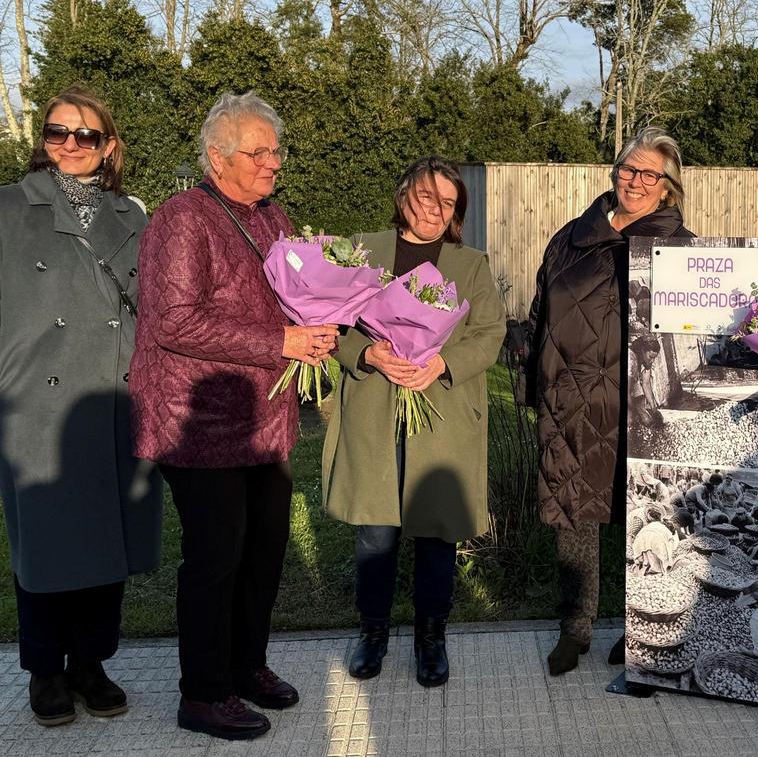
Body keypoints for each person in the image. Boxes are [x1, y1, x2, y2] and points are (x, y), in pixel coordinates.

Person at [131, 92, 338, 741]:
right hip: (200, 423)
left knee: (263, 554)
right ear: (217, 158)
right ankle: (203, 694)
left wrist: (321, 317)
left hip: (264, 421)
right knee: (216, 559)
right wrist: (282, 341)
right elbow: (174, 322)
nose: (273, 162)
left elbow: (296, 293)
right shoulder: (181, 219)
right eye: (258, 152)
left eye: (276, 150)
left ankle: (247, 667)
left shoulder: (273, 217)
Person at [0, 87, 161, 726]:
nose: (69, 145)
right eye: (56, 132)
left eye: (85, 135)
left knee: (105, 536)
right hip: (37, 400)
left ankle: (91, 663)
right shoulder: (9, 207)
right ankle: (45, 669)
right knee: (46, 542)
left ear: (108, 146)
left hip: (113, 395)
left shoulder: (132, 215)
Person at [322, 157, 505, 687]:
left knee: (436, 532)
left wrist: (441, 363)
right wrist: (367, 354)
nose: (435, 210)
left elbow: (489, 334)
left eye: (447, 203)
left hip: (441, 411)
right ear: (404, 196)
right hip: (374, 411)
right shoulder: (363, 251)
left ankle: (431, 638)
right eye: (427, 197)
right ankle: (373, 632)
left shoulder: (471, 264)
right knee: (376, 532)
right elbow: (332, 324)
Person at [524, 127, 693, 675]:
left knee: (644, 514)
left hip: (641, 406)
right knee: (573, 514)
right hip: (572, 400)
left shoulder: (682, 251)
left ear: (667, 187)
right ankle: (575, 628)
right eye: (628, 169)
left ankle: (639, 625)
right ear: (615, 171)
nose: (636, 181)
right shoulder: (571, 237)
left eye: (650, 174)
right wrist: (535, 385)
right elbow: (540, 314)